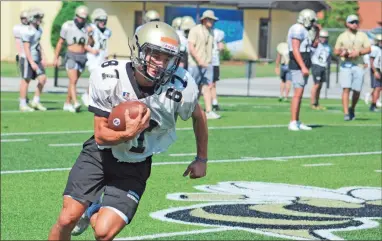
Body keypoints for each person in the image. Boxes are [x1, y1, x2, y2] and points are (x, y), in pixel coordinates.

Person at [48, 21, 208, 241]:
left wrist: (201, 158)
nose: (160, 64)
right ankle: (83, 209)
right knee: (67, 218)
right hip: (99, 155)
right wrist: (127, 134)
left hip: (136, 164)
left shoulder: (181, 86)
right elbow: (101, 134)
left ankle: (92, 208)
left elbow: (199, 117)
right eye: (154, 54)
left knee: (104, 233)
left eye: (167, 58)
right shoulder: (110, 76)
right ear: (138, 49)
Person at [53, 5, 95, 113]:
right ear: (76, 16)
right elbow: (60, 42)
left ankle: (67, 103)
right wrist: (56, 58)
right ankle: (76, 102)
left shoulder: (88, 27)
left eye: (84, 18)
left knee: (74, 82)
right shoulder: (68, 25)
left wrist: (90, 34)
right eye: (80, 17)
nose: (82, 20)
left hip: (82, 56)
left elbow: (91, 44)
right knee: (73, 80)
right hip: (71, 54)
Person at [287, 9, 319, 131]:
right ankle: (293, 122)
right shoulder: (297, 28)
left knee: (300, 94)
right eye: (311, 20)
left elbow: (314, 45)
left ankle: (297, 120)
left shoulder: (306, 30)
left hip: (304, 61)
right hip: (298, 63)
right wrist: (303, 66)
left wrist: (317, 32)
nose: (312, 23)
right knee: (298, 94)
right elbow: (295, 49)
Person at [334, 14, 371, 121]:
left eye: (356, 22)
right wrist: (342, 53)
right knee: (346, 89)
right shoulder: (342, 36)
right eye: (352, 22)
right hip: (346, 65)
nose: (355, 24)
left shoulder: (362, 35)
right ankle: (346, 113)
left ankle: (352, 108)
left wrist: (358, 52)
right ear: (347, 23)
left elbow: (368, 49)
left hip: (358, 65)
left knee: (357, 90)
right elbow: (336, 51)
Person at [188, 10, 220, 119]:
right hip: (195, 64)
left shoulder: (211, 32)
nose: (212, 21)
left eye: (213, 20)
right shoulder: (195, 30)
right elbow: (191, 47)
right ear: (204, 19)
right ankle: (189, 109)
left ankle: (209, 111)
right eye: (210, 19)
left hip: (208, 64)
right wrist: (200, 61)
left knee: (207, 87)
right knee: (193, 88)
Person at [18, 8, 48, 112]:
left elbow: (38, 44)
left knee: (43, 78)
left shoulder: (39, 29)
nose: (40, 19)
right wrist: (31, 62)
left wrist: (43, 56)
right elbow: (26, 48)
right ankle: (22, 104)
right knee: (25, 81)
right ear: (31, 18)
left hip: (36, 58)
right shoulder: (27, 30)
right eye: (37, 17)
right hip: (27, 58)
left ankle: (36, 101)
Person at [82, 8, 112, 107]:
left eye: (104, 21)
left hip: (102, 57)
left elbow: (105, 44)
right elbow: (86, 45)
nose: (103, 23)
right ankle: (88, 96)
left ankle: (90, 96)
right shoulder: (91, 28)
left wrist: (106, 54)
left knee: (100, 79)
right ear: (96, 21)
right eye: (100, 21)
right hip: (93, 58)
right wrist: (92, 50)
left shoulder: (107, 31)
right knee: (95, 77)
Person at [310, 28, 332, 110]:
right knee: (316, 85)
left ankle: (317, 103)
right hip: (316, 65)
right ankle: (312, 103)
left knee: (320, 86)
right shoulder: (316, 45)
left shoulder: (328, 47)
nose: (323, 39)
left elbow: (328, 57)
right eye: (322, 37)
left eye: (325, 37)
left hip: (323, 66)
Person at [211, 27, 225, 111]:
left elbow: (221, 47)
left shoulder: (218, 33)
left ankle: (214, 103)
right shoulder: (201, 32)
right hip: (209, 61)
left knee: (211, 84)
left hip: (213, 61)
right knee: (209, 84)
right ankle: (213, 103)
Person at [369, 33, 382, 112]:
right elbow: (371, 61)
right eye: (380, 41)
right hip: (376, 70)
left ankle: (374, 103)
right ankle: (373, 105)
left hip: (380, 69)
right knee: (377, 88)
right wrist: (375, 71)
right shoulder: (375, 49)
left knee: (379, 88)